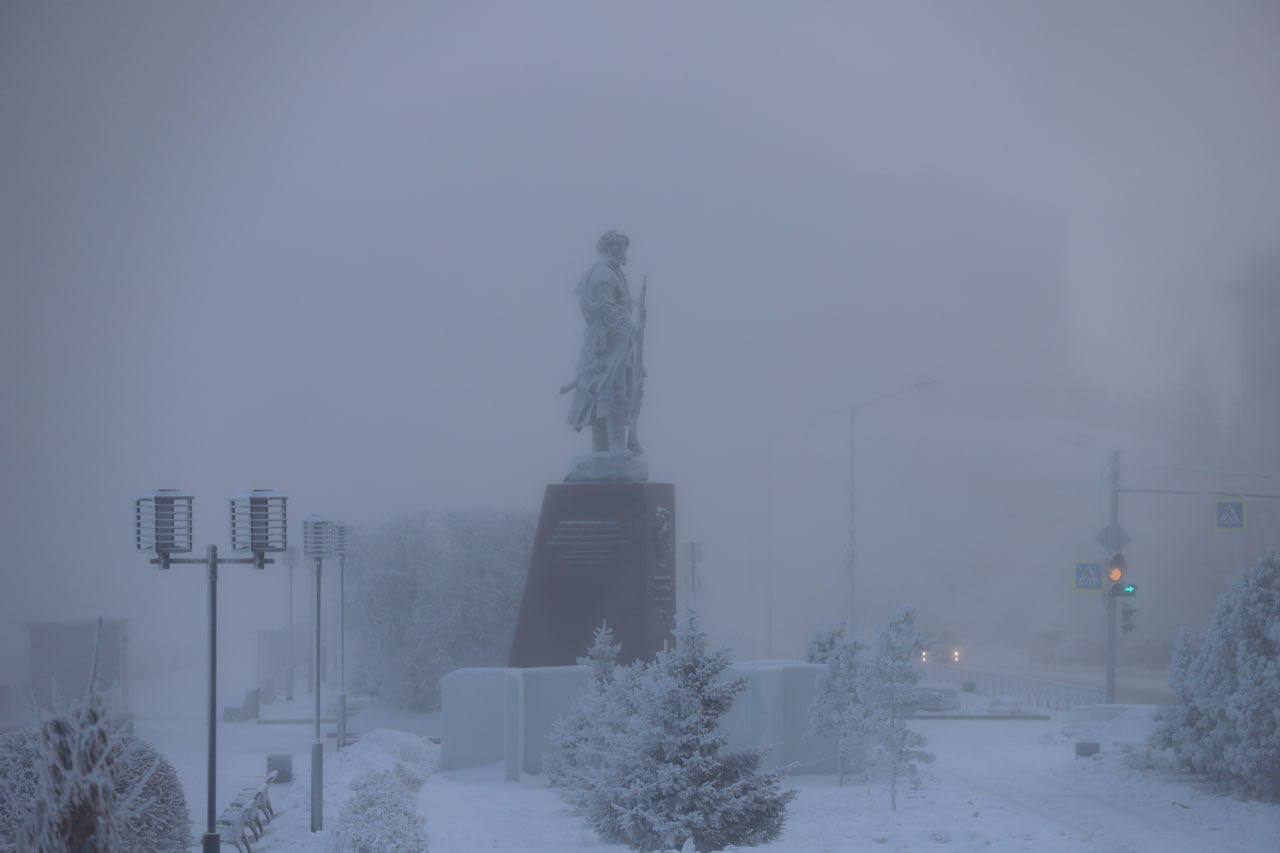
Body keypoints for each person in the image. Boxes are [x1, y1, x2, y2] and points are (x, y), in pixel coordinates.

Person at [566, 229, 644, 455]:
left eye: (624, 247)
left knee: (611, 392)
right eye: (620, 247)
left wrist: (638, 307)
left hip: (618, 343)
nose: (624, 252)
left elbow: (621, 303)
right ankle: (614, 448)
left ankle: (605, 449)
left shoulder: (615, 273)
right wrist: (632, 328)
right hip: (606, 344)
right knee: (611, 392)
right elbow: (607, 310)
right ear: (610, 249)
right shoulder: (603, 274)